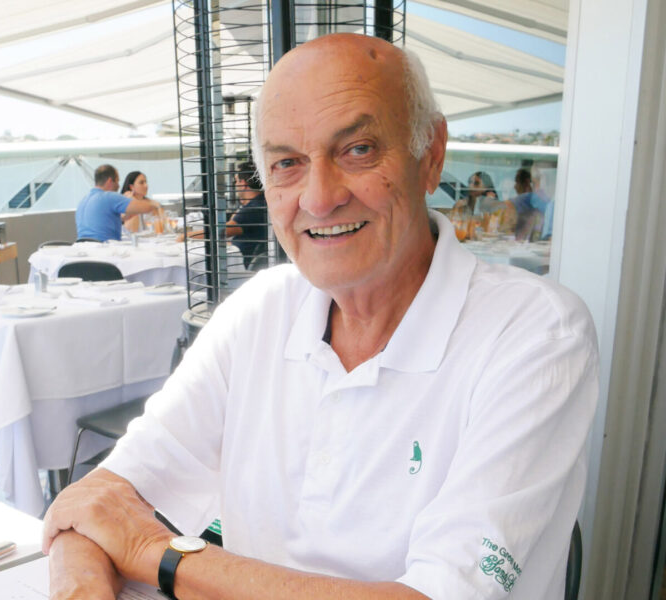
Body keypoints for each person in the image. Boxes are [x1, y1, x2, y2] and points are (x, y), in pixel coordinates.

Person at [44, 33, 598, 600]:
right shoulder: (262, 309)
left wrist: (151, 554)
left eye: (357, 150)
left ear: (430, 155)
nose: (319, 197)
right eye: (287, 163)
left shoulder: (537, 334)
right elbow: (101, 496)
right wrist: (79, 582)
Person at [75, 165, 160, 242]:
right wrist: (153, 203)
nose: (119, 186)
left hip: (85, 250)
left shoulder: (83, 200)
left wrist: (122, 218)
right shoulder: (110, 196)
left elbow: (99, 225)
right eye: (117, 181)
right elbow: (146, 208)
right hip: (105, 250)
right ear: (110, 181)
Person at [227, 160, 268, 268]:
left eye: (236, 181)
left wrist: (184, 236)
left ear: (243, 183)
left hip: (240, 267)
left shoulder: (252, 209)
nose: (235, 185)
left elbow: (221, 231)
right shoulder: (261, 202)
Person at [508, 168, 550, 241]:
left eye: (517, 182)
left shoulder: (525, 199)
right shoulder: (541, 198)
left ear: (527, 182)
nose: (515, 187)